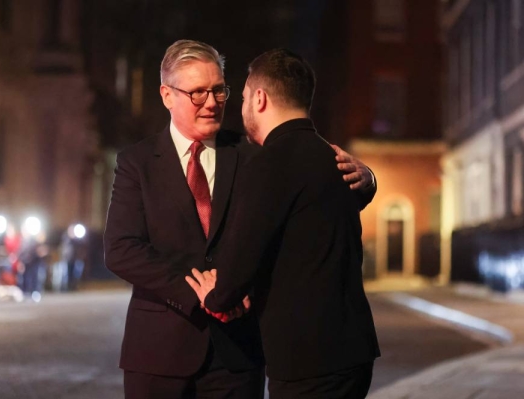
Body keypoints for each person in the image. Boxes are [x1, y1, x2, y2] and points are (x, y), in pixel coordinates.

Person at [104, 40, 376, 399]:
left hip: (237, 354)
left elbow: (311, 207)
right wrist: (200, 293)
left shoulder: (255, 155)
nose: (213, 102)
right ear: (167, 95)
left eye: (219, 90)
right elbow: (121, 250)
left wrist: (367, 180)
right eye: (198, 93)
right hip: (158, 353)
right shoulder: (136, 162)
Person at [186, 49, 380, 399]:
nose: (241, 106)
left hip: (306, 360)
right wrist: (371, 180)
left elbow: (241, 257)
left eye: (243, 97)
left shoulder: (268, 165)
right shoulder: (336, 159)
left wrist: (215, 295)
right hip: (355, 351)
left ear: (259, 98)